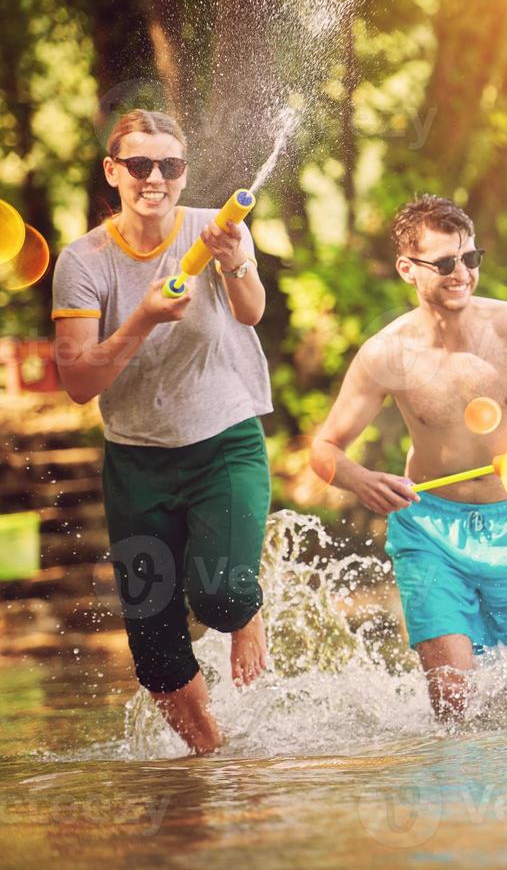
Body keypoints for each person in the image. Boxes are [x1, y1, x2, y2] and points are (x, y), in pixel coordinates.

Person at [312, 196, 507, 720]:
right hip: (430, 531)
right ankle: (456, 798)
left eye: (470, 260)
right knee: (454, 702)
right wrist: (360, 480)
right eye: (446, 263)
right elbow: (324, 450)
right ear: (407, 268)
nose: (462, 274)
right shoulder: (386, 352)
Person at [52, 109, 273, 754]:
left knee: (223, 591)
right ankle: (213, 761)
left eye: (170, 166)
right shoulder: (83, 262)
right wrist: (144, 318)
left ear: (183, 172)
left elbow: (251, 310)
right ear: (113, 171)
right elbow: (79, 382)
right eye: (141, 165)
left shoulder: (217, 228)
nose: (156, 178)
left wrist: (234, 263)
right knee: (153, 643)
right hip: (137, 461)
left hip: (224, 442)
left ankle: (243, 613)